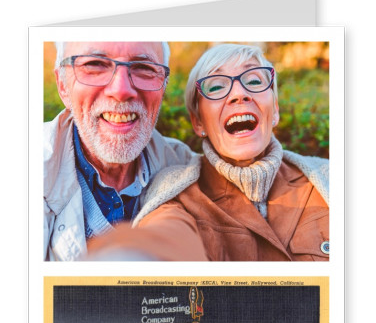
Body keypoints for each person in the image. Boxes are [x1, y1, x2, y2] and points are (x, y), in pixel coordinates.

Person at [87, 43, 329, 261]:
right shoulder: (177, 194)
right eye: (216, 86)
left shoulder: (328, 178)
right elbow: (165, 236)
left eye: (254, 81)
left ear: (274, 109)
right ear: (198, 122)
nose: (239, 94)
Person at [44, 41, 199, 261]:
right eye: (95, 64)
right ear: (62, 85)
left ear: (163, 86)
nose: (121, 91)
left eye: (144, 68)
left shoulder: (187, 169)